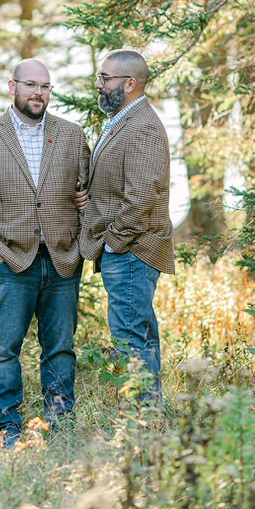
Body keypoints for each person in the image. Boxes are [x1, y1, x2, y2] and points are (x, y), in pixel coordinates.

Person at [0, 58, 89, 446]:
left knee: (61, 349)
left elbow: (85, 191)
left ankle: (60, 426)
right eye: (31, 85)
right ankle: (8, 427)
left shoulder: (71, 134)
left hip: (63, 260)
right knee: (3, 349)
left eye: (46, 87)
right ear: (12, 86)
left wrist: (82, 234)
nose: (39, 93)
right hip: (11, 262)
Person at [79, 50, 174, 398]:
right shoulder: (123, 120)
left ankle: (143, 423)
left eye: (105, 78)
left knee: (131, 340)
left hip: (132, 251)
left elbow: (143, 197)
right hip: (125, 250)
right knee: (139, 336)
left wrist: (113, 243)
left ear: (130, 84)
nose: (98, 84)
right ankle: (148, 424)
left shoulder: (144, 127)